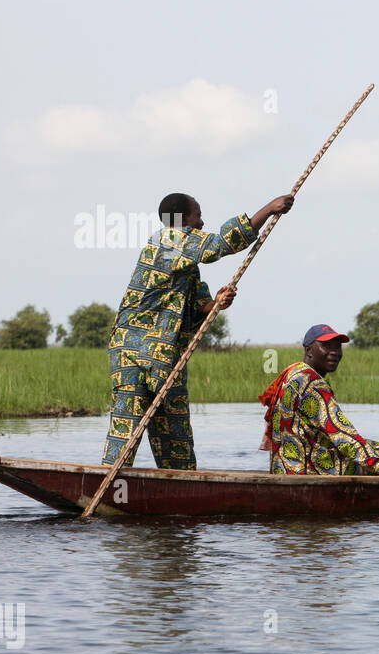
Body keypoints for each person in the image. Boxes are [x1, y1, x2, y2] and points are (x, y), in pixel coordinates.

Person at [102, 191, 293, 469]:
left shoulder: (186, 266)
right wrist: (269, 209)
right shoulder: (167, 242)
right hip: (134, 353)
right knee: (126, 427)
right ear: (182, 220)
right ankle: (111, 480)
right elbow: (223, 244)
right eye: (198, 216)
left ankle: (179, 486)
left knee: (175, 435)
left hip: (166, 357)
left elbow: (194, 313)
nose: (202, 223)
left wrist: (216, 303)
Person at [258, 324, 379, 485]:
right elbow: (342, 435)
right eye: (326, 346)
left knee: (369, 450)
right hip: (308, 469)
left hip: (283, 466)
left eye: (337, 347)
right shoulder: (312, 383)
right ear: (309, 350)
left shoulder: (293, 372)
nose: (334, 352)